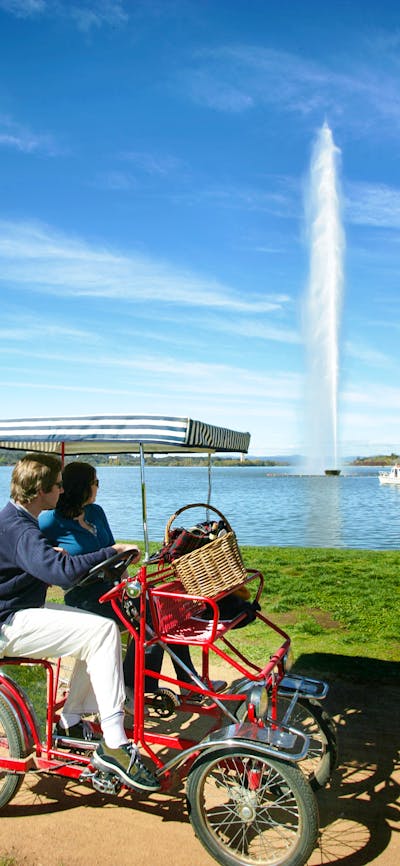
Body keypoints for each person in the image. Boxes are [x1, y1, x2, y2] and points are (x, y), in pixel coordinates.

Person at [0, 453, 159, 793]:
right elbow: (62, 575)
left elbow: (40, 559)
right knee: (102, 631)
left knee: (96, 630)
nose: (62, 491)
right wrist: (109, 551)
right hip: (7, 622)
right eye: (57, 485)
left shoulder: (18, 520)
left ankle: (71, 720)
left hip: (19, 611)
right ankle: (114, 742)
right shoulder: (18, 527)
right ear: (40, 490)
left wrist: (53, 552)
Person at [39, 461, 226, 699]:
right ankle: (138, 686)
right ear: (82, 487)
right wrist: (53, 551)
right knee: (150, 615)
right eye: (96, 482)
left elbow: (112, 552)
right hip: (83, 596)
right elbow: (34, 552)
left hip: (114, 589)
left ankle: (179, 682)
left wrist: (129, 583)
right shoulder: (50, 521)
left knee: (163, 605)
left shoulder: (96, 512)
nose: (99, 487)